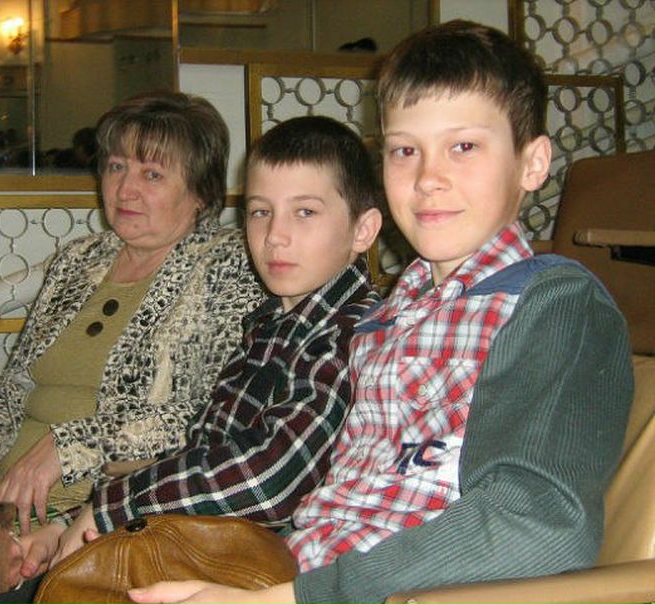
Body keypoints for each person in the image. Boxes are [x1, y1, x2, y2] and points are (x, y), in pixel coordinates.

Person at [125, 20, 634, 604]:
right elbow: (342, 505)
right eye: (404, 151)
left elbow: (539, 523)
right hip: (297, 571)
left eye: (464, 147)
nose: (428, 179)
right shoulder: (386, 320)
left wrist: (285, 599)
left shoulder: (554, 305)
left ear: (533, 163)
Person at [0, 114, 385, 604]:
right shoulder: (271, 323)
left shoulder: (351, 333)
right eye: (260, 212)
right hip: (163, 533)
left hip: (234, 564)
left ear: (363, 229)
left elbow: (268, 477)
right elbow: (198, 449)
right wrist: (66, 527)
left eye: (305, 212)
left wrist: (105, 508)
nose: (275, 235)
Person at [0, 90, 264, 604]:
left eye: (153, 174)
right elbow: (12, 391)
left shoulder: (229, 267)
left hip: (98, 510)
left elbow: (204, 421)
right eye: (116, 166)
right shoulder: (78, 260)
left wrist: (67, 446)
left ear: (201, 191)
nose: (125, 188)